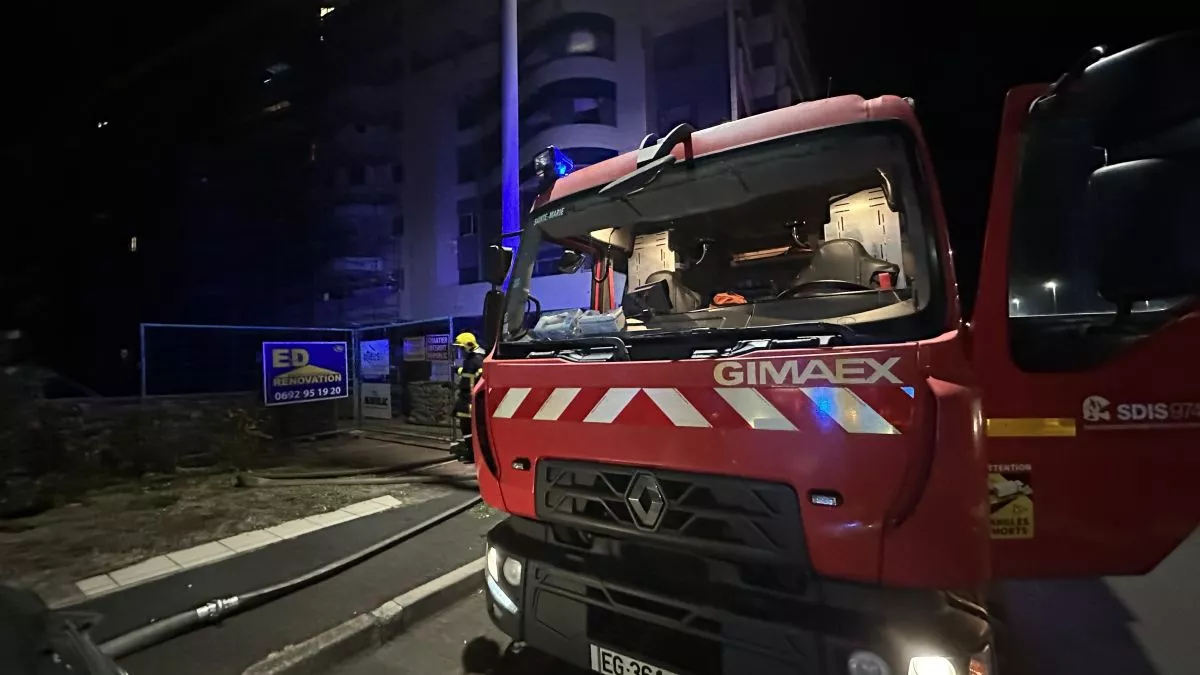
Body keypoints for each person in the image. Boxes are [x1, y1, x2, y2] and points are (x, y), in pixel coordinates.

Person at [451, 332, 485, 461]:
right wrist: (459, 370)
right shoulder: (476, 358)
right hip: (470, 398)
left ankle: (472, 453)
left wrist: (458, 371)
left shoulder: (474, 360)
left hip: (469, 400)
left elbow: (471, 377)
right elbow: (469, 374)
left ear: (469, 345)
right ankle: (472, 452)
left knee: (467, 427)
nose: (461, 350)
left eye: (461, 347)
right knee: (469, 427)